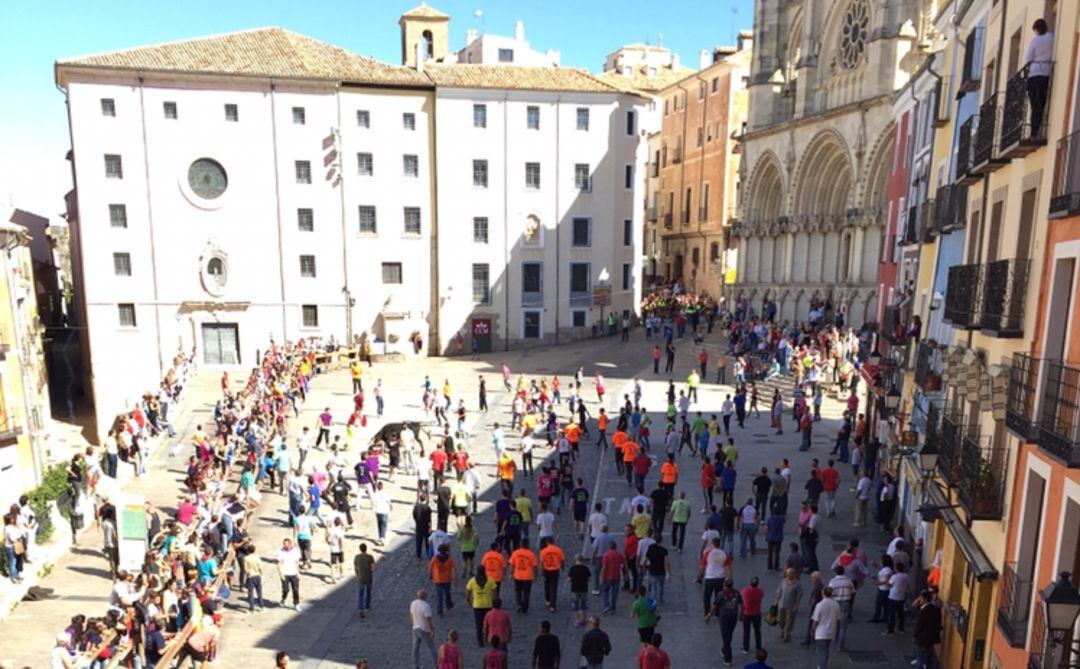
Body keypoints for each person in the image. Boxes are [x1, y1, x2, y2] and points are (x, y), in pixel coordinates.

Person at [1025, 18, 1054, 139]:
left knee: (1034, 103)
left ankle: (1033, 132)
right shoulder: (1052, 38)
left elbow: (1027, 58)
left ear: (1037, 29)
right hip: (1046, 72)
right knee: (1041, 103)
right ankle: (1036, 131)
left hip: (1034, 73)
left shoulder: (1035, 41)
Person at [811, 586, 841, 668]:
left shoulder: (820, 605)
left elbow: (816, 620)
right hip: (831, 631)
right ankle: (822, 665)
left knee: (821, 652)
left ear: (823, 594)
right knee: (826, 650)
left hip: (821, 632)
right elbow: (838, 620)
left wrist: (813, 630)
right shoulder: (836, 604)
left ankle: (822, 666)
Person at [913, 589, 943, 669]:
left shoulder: (923, 611)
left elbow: (919, 626)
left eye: (921, 598)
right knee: (930, 657)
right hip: (932, 638)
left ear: (925, 600)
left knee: (921, 659)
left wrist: (915, 635)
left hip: (922, 639)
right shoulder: (936, 609)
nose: (919, 600)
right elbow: (938, 624)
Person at [411, 590, 438, 669]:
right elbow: (428, 620)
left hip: (415, 628)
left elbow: (411, 615)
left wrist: (413, 624)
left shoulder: (413, 603)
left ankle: (415, 666)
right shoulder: (426, 606)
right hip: (424, 629)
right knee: (432, 648)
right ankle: (437, 664)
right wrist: (432, 630)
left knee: (415, 648)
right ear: (425, 596)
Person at [510, 538, 538, 613]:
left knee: (518, 591)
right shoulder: (531, 554)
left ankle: (519, 604)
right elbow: (534, 566)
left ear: (520, 544)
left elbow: (512, 565)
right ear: (528, 545)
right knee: (526, 593)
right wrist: (536, 574)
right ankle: (524, 607)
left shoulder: (515, 553)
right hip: (528, 576)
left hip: (517, 576)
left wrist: (511, 573)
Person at [774, 567, 802, 642]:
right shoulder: (783, 581)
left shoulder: (797, 584)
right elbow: (779, 592)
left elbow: (799, 596)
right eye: (787, 573)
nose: (787, 575)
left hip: (791, 606)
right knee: (780, 620)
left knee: (789, 621)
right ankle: (783, 630)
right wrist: (776, 601)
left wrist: (796, 605)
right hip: (781, 604)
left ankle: (787, 635)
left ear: (793, 574)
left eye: (789, 573)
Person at [539, 537, 566, 612]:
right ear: (553, 542)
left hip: (546, 570)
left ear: (547, 543)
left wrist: (541, 573)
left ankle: (547, 600)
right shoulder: (558, 550)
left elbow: (541, 563)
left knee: (546, 585)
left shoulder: (543, 551)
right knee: (554, 588)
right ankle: (552, 605)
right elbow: (562, 560)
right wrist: (562, 567)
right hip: (555, 570)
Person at [429, 543, 457, 616]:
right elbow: (454, 569)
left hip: (438, 579)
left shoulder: (435, 558)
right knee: (447, 593)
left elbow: (430, 567)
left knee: (439, 595)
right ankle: (449, 604)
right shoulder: (450, 559)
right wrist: (455, 578)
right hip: (447, 579)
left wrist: (430, 575)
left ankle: (440, 611)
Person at [741, 576, 765, 654]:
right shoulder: (760, 591)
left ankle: (746, 648)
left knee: (746, 631)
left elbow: (742, 598)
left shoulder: (745, 591)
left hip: (747, 613)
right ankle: (758, 646)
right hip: (757, 613)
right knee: (757, 631)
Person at [277, 537, 302, 610]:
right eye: (284, 544)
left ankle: (296, 603)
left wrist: (298, 573)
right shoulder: (281, 551)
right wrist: (281, 574)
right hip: (285, 573)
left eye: (286, 544)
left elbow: (297, 563)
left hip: (293, 573)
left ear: (290, 544)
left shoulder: (295, 551)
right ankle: (283, 599)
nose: (285, 546)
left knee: (296, 589)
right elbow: (279, 563)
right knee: (285, 589)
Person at [354, 542, 375, 617]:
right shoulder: (370, 557)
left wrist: (357, 575)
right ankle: (367, 605)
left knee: (361, 594)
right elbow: (373, 568)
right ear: (366, 549)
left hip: (361, 578)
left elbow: (356, 568)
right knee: (368, 592)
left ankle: (360, 609)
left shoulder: (357, 557)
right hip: (368, 577)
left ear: (360, 549)